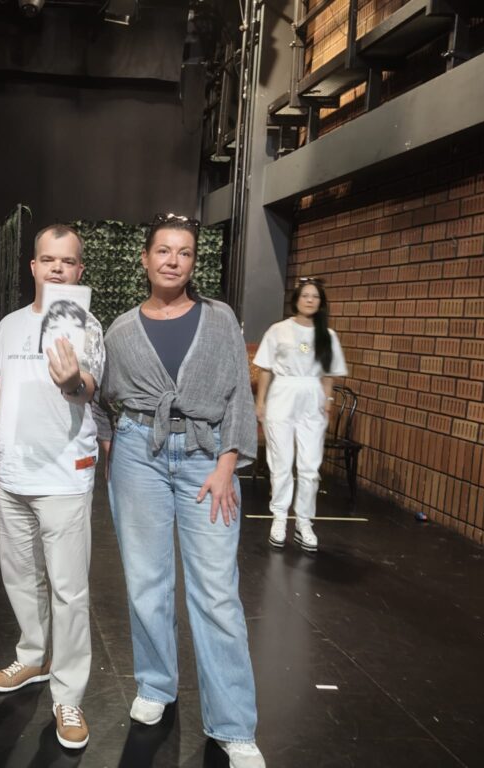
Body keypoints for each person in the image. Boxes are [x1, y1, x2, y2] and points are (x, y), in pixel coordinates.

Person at [96, 214, 265, 768]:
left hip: (205, 456)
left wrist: (227, 464)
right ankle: (155, 683)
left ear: (194, 262)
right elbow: (100, 398)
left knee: (216, 590)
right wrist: (111, 447)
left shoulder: (219, 317)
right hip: (139, 453)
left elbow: (238, 392)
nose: (173, 260)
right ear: (145, 258)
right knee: (146, 580)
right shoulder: (121, 330)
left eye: (185, 252)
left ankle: (233, 724)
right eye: (164, 251)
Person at [0, 224, 104, 750]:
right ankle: (33, 656)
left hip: (64, 477)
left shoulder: (87, 326)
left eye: (67, 261)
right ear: (33, 266)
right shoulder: (10, 326)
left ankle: (68, 694)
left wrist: (72, 379)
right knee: (21, 578)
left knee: (69, 591)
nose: (57, 268)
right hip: (11, 474)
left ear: (79, 270)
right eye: (48, 259)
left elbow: (89, 387)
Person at [253, 277, 347, 552]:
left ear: (321, 302)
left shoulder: (327, 335)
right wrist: (261, 402)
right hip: (283, 394)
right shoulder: (278, 330)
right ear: (296, 299)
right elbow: (266, 368)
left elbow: (328, 373)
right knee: (281, 462)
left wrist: (328, 400)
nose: (309, 300)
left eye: (315, 297)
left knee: (309, 466)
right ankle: (280, 518)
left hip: (312, 397)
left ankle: (304, 522)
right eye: (305, 295)